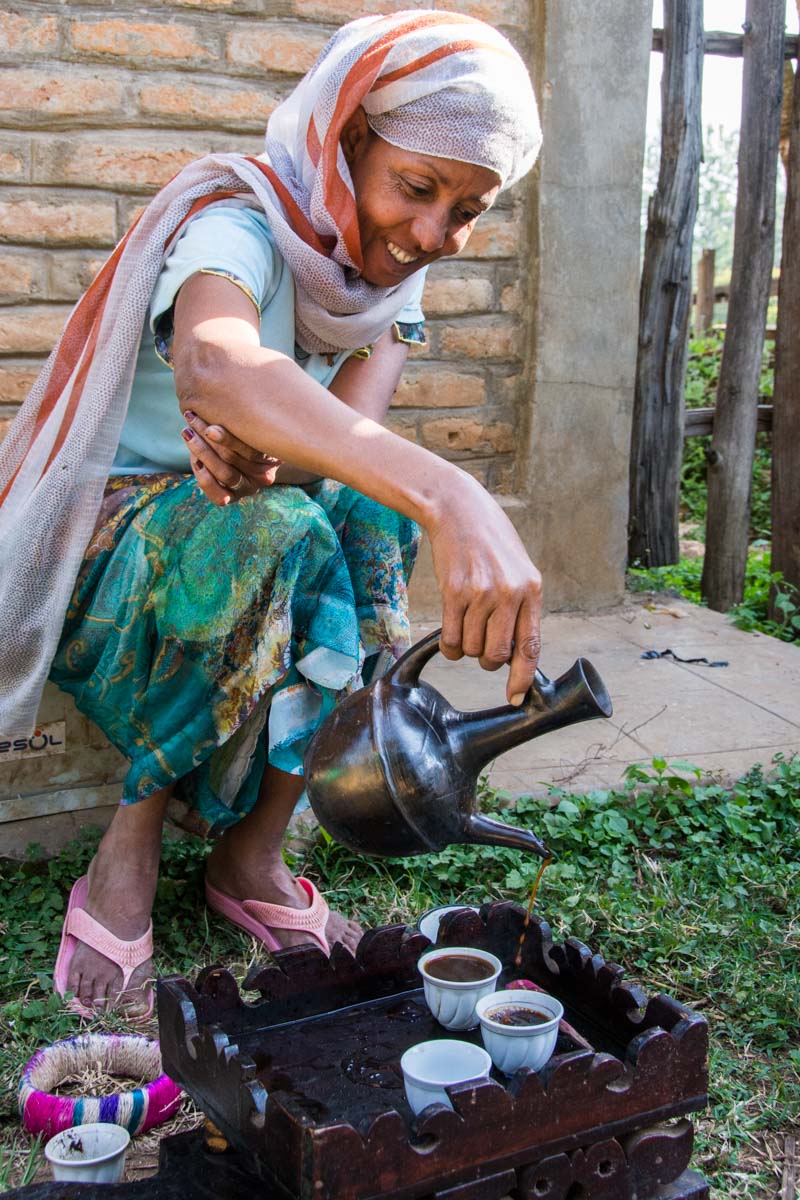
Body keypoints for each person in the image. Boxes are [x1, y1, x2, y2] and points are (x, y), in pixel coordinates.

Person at [0, 10, 544, 1018]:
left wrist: (277, 451)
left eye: (468, 209)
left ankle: (253, 854)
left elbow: (337, 446)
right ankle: (132, 842)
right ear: (345, 144)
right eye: (416, 188)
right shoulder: (234, 227)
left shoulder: (388, 290)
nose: (431, 234)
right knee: (287, 521)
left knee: (344, 516)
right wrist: (450, 490)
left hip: (258, 517)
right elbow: (217, 360)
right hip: (113, 542)